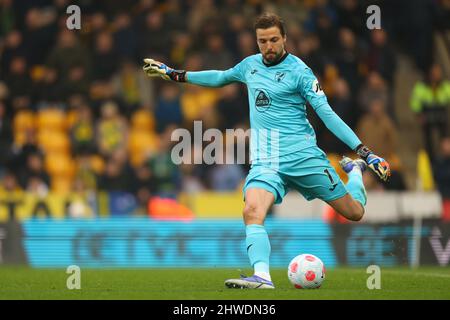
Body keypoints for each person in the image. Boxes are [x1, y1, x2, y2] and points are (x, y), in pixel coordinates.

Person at [142, 13, 390, 289]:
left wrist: (365, 153)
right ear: (256, 41)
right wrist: (175, 74)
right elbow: (220, 77)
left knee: (354, 212)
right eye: (263, 41)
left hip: (303, 156)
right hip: (266, 160)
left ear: (284, 39)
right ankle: (262, 276)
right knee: (251, 210)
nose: (268, 46)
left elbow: (328, 115)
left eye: (274, 40)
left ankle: (355, 172)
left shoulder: (301, 72)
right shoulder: (250, 65)